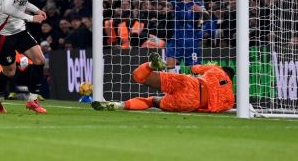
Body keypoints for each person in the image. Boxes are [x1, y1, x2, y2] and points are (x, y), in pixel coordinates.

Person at [91, 52, 235, 113]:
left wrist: (208, 67)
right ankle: (119, 106)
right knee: (153, 101)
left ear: (223, 70)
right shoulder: (230, 99)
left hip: (188, 82)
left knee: (139, 77)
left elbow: (194, 68)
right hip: (191, 102)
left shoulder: (217, 70)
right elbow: (217, 109)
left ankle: (151, 65)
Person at [148, 0, 216, 72]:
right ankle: (172, 88)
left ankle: (195, 87)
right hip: (176, 39)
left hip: (191, 41)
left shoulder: (197, 3)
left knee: (195, 70)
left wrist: (201, 11)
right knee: (170, 65)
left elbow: (208, 17)